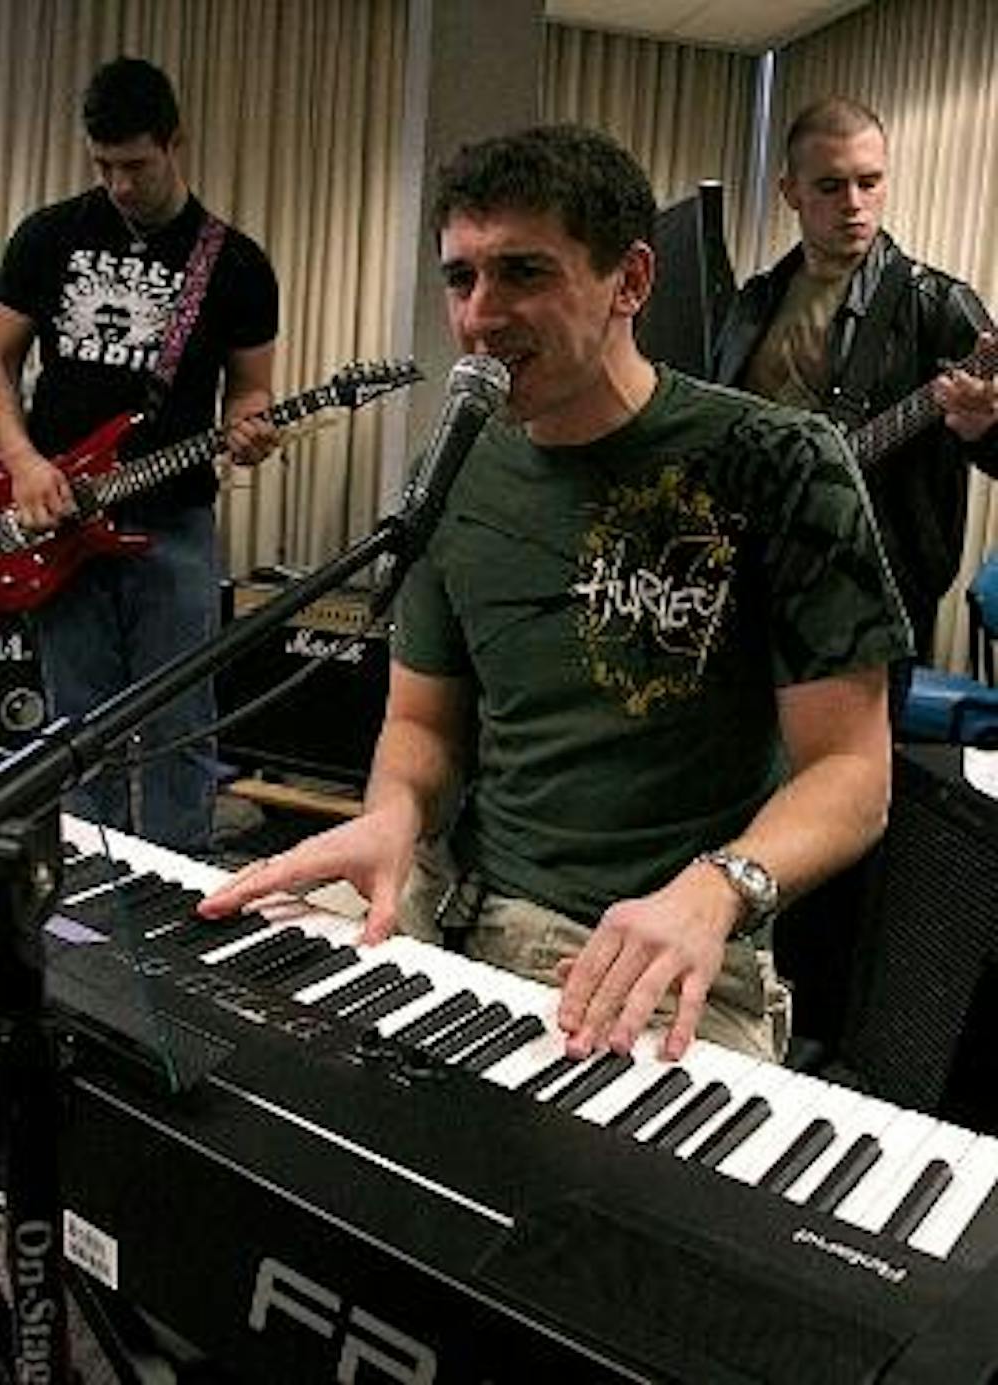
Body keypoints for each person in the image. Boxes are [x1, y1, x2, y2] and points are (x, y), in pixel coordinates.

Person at [201, 124, 910, 1064]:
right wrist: (388, 819)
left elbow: (853, 777)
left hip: (654, 949)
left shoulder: (778, 463)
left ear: (632, 281)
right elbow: (421, 726)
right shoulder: (456, 468)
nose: (480, 316)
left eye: (524, 273)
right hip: (445, 899)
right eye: (462, 279)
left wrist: (716, 888)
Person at [0, 56, 278, 854]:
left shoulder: (236, 264)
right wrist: (23, 462)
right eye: (103, 165)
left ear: (176, 141)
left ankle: (177, 900)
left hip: (173, 520)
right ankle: (90, 909)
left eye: (136, 164)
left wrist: (254, 429)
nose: (119, 184)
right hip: (60, 520)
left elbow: (251, 393)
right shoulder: (48, 237)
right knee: (74, 727)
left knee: (181, 727)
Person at [714, 96, 998, 668]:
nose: (854, 205)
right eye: (830, 186)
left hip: (872, 602)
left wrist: (986, 428)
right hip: (751, 583)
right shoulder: (756, 300)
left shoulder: (936, 303)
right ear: (790, 191)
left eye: (870, 183)